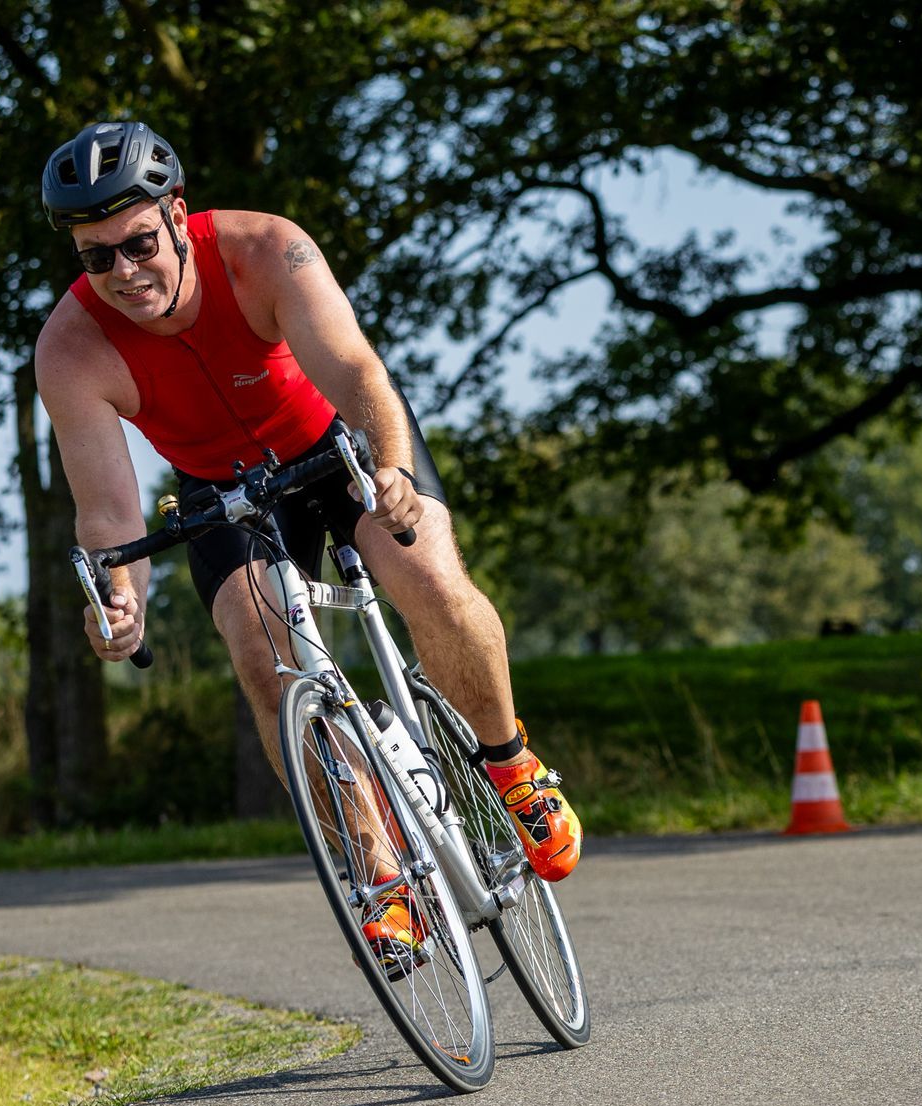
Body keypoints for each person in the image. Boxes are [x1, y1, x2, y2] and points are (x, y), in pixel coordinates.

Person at [33, 122, 582, 961]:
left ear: (177, 217)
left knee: (423, 576)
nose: (124, 272)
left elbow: (361, 375)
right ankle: (380, 871)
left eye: (139, 243)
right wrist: (121, 600)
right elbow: (110, 516)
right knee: (263, 658)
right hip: (225, 492)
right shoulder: (70, 349)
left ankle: (512, 767)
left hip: (341, 443)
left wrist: (391, 470)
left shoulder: (267, 250)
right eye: (96, 256)